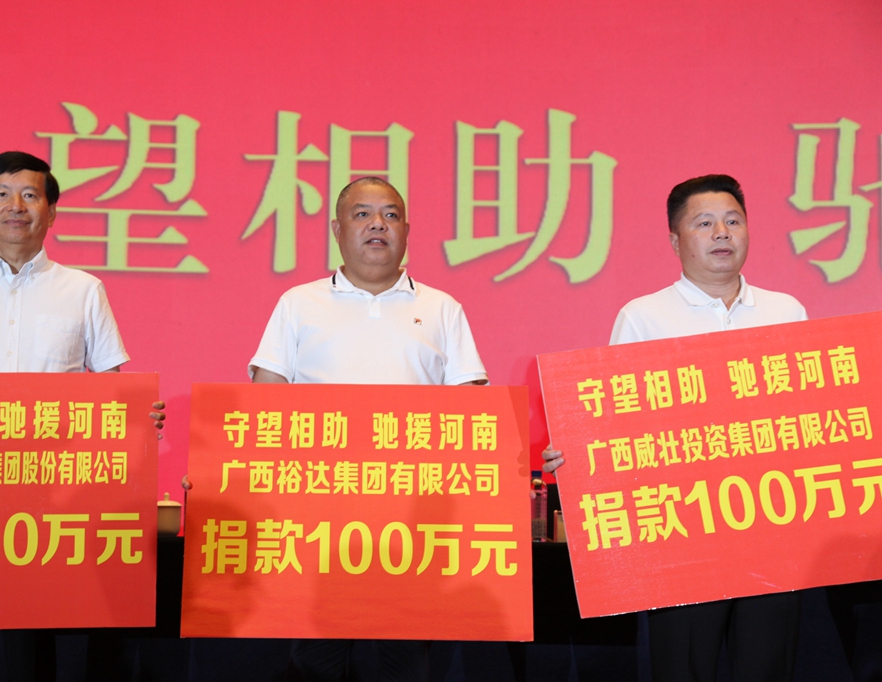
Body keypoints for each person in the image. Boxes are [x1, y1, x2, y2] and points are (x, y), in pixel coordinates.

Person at [0, 150, 165, 682]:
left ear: (51, 210)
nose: (15, 206)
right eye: (1, 194)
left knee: (30, 645)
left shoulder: (83, 289)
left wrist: (137, 416)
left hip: (47, 494)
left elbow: (111, 386)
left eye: (29, 195)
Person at [544, 174, 806, 682]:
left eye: (733, 221)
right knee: (683, 665)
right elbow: (611, 418)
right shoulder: (645, 317)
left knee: (769, 665)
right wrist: (575, 450)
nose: (722, 233)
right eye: (704, 223)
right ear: (674, 240)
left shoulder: (786, 311)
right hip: (682, 530)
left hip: (773, 525)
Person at [249, 176, 488, 681]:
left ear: (407, 231)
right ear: (338, 229)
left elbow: (471, 411)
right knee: (315, 659)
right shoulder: (299, 303)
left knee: (406, 662)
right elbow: (264, 401)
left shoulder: (442, 308)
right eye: (362, 214)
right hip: (317, 512)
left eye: (390, 215)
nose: (378, 224)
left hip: (413, 517)